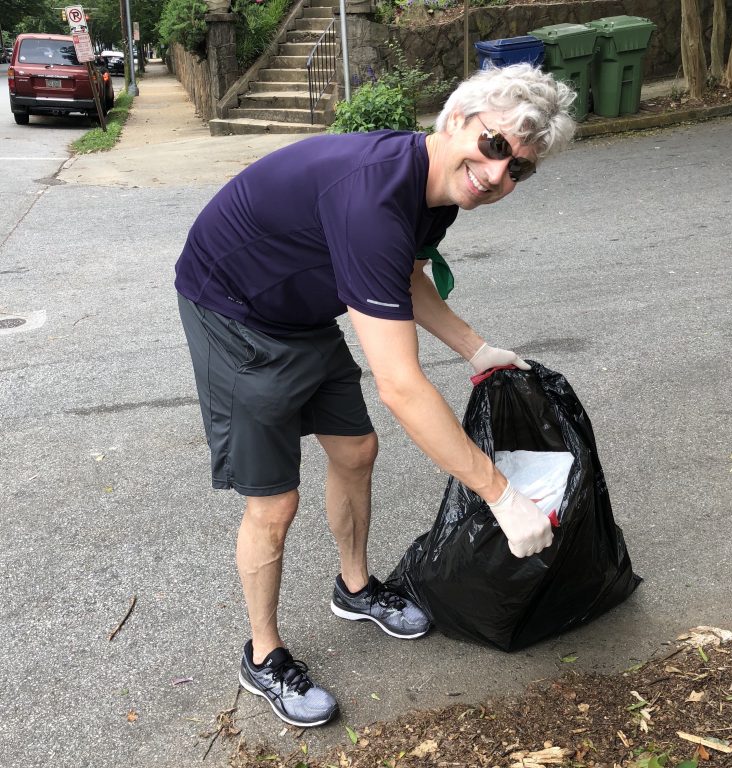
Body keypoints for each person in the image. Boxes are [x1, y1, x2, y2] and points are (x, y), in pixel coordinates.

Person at [175, 63, 576, 728]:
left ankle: (354, 588)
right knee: (274, 503)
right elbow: (400, 385)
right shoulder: (373, 200)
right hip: (234, 309)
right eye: (495, 146)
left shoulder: (439, 191)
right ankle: (263, 654)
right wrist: (501, 495)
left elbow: (407, 277)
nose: (498, 174)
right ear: (456, 120)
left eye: (520, 169)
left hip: (304, 306)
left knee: (356, 451)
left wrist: (475, 347)